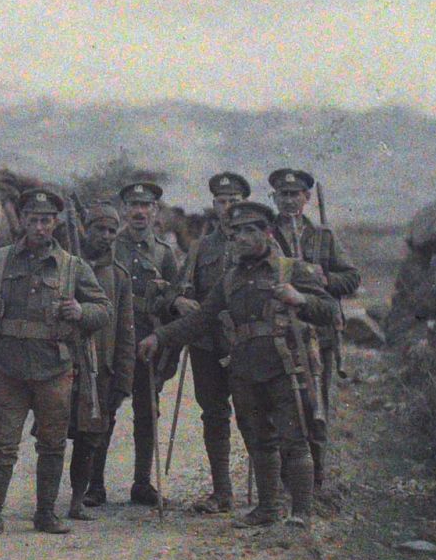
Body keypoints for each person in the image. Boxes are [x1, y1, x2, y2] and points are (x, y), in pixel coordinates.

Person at [140, 200, 338, 528]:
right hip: (245, 371)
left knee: (294, 440)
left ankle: (301, 513)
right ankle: (268, 509)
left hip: (285, 368)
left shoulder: (291, 270)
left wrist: (301, 299)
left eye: (249, 231)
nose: (241, 238)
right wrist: (160, 337)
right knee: (260, 441)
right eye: (236, 233)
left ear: (267, 233)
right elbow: (201, 319)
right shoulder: (230, 280)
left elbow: (331, 311)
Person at [0, 187, 112, 536]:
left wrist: (81, 311)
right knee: (2, 442)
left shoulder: (72, 266)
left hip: (54, 368)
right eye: (33, 220)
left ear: (55, 223)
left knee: (52, 443)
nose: (40, 227)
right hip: (10, 368)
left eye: (46, 221)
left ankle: (46, 514)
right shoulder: (1, 261)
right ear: (23, 220)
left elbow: (104, 309)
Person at [268, 167, 361, 496]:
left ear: (307, 197)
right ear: (274, 198)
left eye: (295, 194)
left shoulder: (324, 237)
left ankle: (316, 481)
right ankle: (284, 481)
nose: (289, 201)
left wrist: (325, 279)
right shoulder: (266, 235)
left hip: (318, 333)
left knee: (315, 406)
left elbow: (351, 278)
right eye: (283, 195)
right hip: (278, 335)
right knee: (281, 407)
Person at [168, 172, 251, 514]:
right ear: (214, 205)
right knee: (213, 414)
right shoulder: (200, 247)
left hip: (246, 344)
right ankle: (222, 492)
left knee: (253, 414)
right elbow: (178, 288)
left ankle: (269, 495)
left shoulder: (258, 242)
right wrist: (179, 301)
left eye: (234, 201)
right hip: (206, 343)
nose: (227, 207)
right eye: (221, 201)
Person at [112, 180, 184, 506]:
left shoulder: (165, 253)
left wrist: (166, 347)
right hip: (114, 340)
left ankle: (141, 483)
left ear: (155, 211)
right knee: (103, 409)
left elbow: (173, 302)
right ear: (124, 209)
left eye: (146, 206)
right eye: (133, 205)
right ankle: (94, 485)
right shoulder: (111, 247)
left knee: (146, 411)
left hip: (145, 342)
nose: (139, 211)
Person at [66, 202, 135, 518]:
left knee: (93, 435)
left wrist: (123, 380)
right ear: (86, 229)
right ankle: (48, 501)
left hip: (101, 369)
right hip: (65, 365)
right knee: (55, 434)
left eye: (111, 230)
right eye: (99, 229)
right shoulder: (66, 265)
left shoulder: (119, 276)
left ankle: (85, 494)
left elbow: (125, 333)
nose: (106, 236)